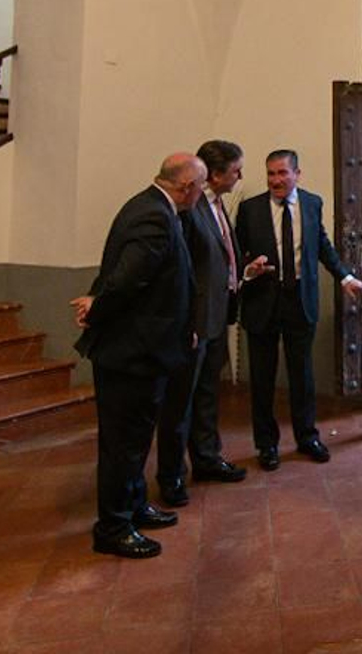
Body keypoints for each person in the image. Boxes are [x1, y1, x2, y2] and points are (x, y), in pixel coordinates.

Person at [72, 153, 204, 558]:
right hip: (132, 353)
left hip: (143, 350)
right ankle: (113, 527)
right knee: (123, 444)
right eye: (200, 187)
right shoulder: (153, 217)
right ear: (186, 188)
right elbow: (128, 278)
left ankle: (132, 505)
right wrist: (97, 308)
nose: (201, 194)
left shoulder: (152, 206)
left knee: (135, 438)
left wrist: (97, 299)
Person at [234, 149, 362, 471]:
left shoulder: (312, 204)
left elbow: (322, 245)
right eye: (270, 174)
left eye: (282, 173)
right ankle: (266, 445)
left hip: (300, 300)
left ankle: (307, 437)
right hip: (262, 303)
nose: (276, 180)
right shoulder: (249, 209)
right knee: (262, 378)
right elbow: (237, 254)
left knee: (303, 376)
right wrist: (247, 270)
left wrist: (345, 277)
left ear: (298, 173)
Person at [155, 140, 248, 506]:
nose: (241, 176)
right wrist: (188, 322)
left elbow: (219, 257)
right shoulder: (189, 209)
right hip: (194, 322)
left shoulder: (216, 203)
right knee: (180, 402)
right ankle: (171, 475)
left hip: (216, 315)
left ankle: (207, 458)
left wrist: (240, 273)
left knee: (208, 393)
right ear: (216, 173)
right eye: (236, 169)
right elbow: (184, 270)